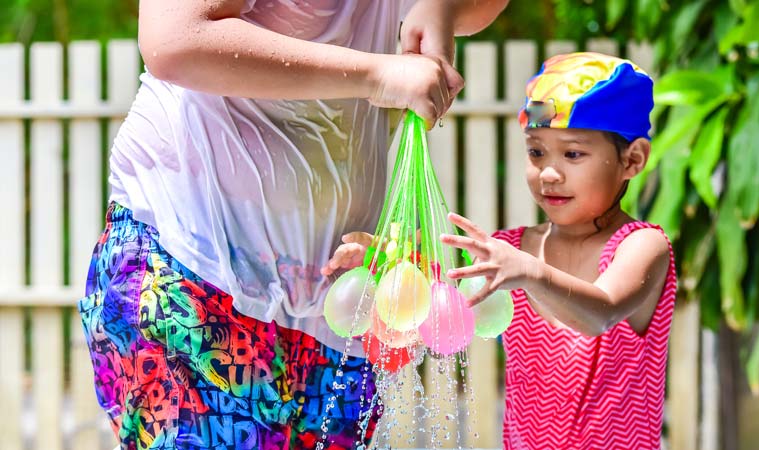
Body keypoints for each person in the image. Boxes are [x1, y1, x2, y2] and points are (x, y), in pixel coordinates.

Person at [78, 1, 508, 449]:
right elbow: (175, 40)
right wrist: (378, 75)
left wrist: (441, 8)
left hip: (335, 306)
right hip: (194, 264)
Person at [439, 52, 676, 449]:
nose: (548, 173)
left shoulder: (641, 246)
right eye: (536, 152)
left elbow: (599, 311)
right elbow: (440, 289)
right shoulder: (513, 250)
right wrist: (386, 264)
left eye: (572, 154)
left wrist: (531, 272)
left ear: (632, 160)